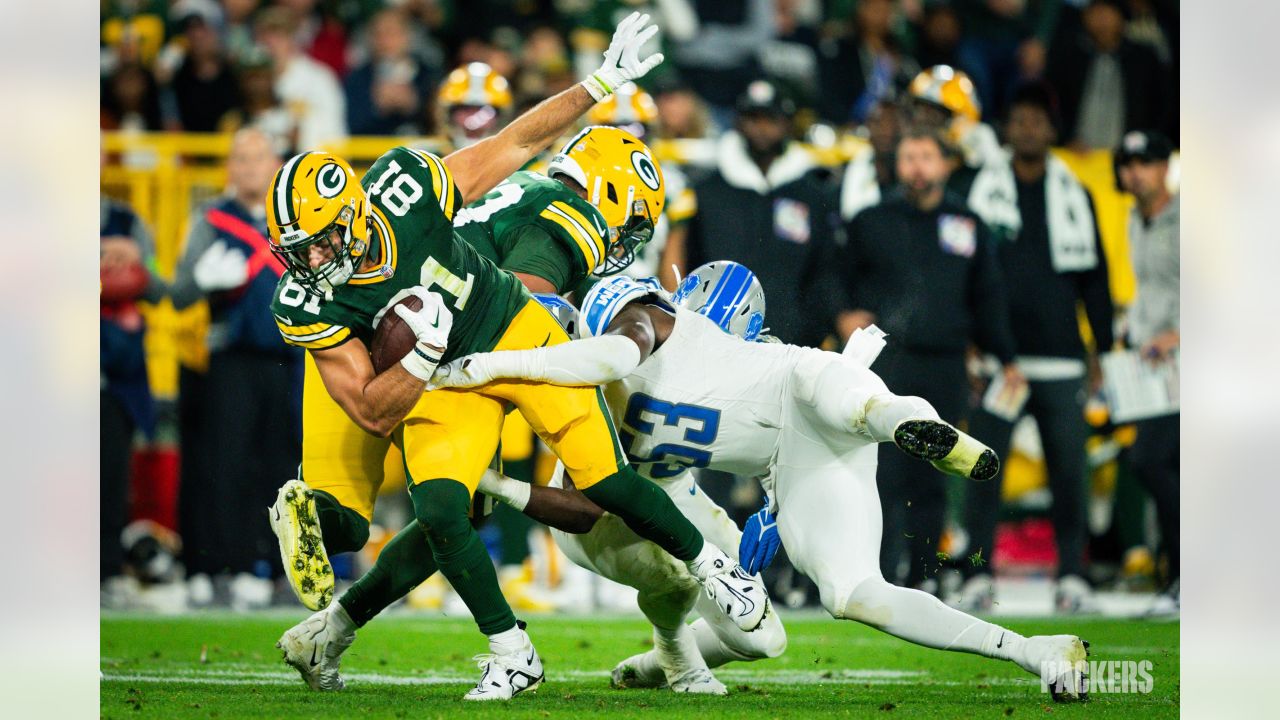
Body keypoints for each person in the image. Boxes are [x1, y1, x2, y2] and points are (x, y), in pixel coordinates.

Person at [264, 14, 765, 701]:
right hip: (446, 362)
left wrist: (596, 83)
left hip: (466, 342)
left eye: (319, 244)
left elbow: (515, 141)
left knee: (486, 505)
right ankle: (489, 641)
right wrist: (423, 358)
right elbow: (528, 280)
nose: (310, 262)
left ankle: (335, 618)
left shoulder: (418, 190)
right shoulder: (562, 213)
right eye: (301, 250)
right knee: (444, 510)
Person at [429, 263, 1091, 702]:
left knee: (838, 392)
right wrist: (494, 480)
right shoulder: (573, 415)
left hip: (796, 392)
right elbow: (582, 503)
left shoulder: (619, 315)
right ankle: (1036, 652)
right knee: (853, 594)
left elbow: (617, 352)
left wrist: (495, 363)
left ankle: (908, 422)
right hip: (786, 464)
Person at [839, 128, 1022, 592]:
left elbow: (989, 296)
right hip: (887, 365)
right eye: (908, 157)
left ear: (946, 164)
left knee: (933, 476)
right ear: (895, 165)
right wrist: (841, 314)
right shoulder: (870, 221)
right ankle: (874, 575)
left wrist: (1006, 355)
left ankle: (926, 575)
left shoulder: (968, 222)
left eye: (926, 156)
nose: (917, 167)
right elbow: (833, 277)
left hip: (944, 365)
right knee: (881, 474)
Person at [958, 84, 1116, 614]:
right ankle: (977, 573)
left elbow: (1094, 279)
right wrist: (971, 344)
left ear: (1051, 130)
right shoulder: (978, 190)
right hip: (1001, 361)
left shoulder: (1077, 193)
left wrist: (1102, 347)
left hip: (1061, 356)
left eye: (1036, 120)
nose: (1027, 129)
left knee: (1070, 472)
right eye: (1018, 120)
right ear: (1007, 129)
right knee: (982, 468)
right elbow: (965, 276)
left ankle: (1073, 574)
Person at [166, 128, 301, 608]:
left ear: (274, 165)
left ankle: (276, 570)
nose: (248, 168)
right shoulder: (210, 218)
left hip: (288, 357)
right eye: (239, 159)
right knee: (227, 464)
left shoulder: (294, 220)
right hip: (229, 358)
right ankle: (226, 565)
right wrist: (202, 280)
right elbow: (178, 294)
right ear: (229, 168)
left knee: (282, 465)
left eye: (257, 158)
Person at [668, 79, 841, 347]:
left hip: (792, 344)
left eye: (770, 119)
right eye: (752, 119)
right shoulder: (707, 191)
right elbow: (688, 265)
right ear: (738, 123)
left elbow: (825, 270)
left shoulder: (812, 195)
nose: (761, 128)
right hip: (715, 342)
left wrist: (813, 330)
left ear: (787, 124)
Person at [1114, 129, 1179, 615]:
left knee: (1151, 461)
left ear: (1165, 166)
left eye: (1147, 161)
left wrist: (1178, 334)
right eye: (1128, 162)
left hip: (1188, 360)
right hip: (1153, 366)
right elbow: (1149, 289)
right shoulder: (1137, 219)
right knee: (1162, 465)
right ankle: (1178, 576)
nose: (1135, 171)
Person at [100, 194, 163, 605]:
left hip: (116, 377)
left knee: (109, 481)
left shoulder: (129, 220)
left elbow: (159, 287)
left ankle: (106, 570)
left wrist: (137, 261)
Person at [1046, 0, 1171, 151]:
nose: (1101, 20)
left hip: (1132, 157)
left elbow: (1161, 109)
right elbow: (1053, 106)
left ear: (1121, 17)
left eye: (1107, 13)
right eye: (1095, 12)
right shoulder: (1068, 58)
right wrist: (1065, 139)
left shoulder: (1144, 59)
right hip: (1075, 156)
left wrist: (1144, 144)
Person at [254, 6, 346, 151]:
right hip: (263, 164)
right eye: (265, 37)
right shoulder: (251, 80)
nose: (271, 44)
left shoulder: (319, 78)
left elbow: (335, 133)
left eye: (278, 36)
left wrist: (301, 134)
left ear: (292, 37)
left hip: (309, 164)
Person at [343, 8, 439, 136]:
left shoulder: (428, 75)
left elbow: (441, 125)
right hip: (372, 153)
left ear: (408, 36)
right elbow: (348, 126)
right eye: (378, 34)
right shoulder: (357, 79)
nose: (385, 41)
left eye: (392, 33)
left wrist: (416, 105)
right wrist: (376, 107)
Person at [436, 62, 513, 151]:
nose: (474, 120)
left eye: (485, 111)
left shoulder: (519, 160)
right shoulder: (424, 155)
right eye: (465, 109)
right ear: (447, 114)